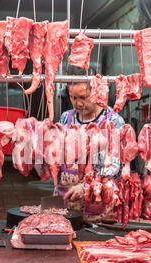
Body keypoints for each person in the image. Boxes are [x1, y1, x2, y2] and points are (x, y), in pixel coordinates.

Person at [58, 66, 125, 218]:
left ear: (96, 92)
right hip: (67, 202)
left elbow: (116, 167)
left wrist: (85, 186)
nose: (78, 103)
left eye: (83, 97)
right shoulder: (65, 118)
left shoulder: (113, 121)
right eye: (73, 97)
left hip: (99, 205)